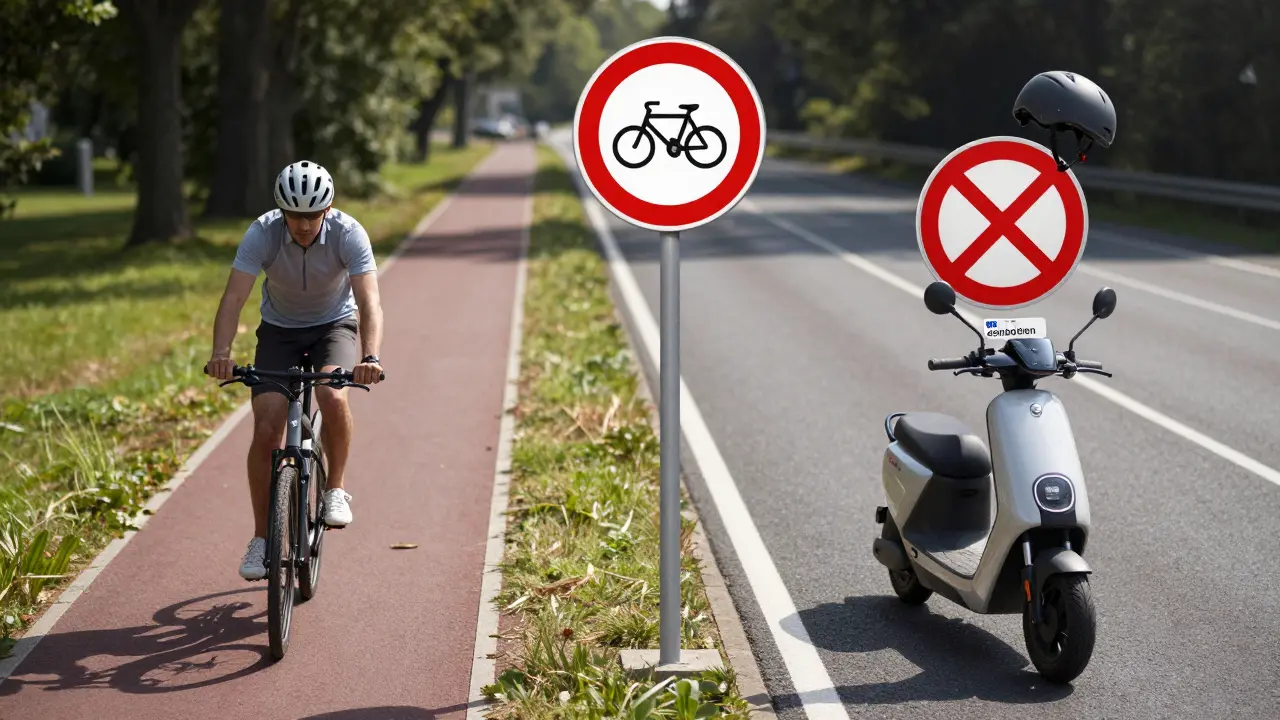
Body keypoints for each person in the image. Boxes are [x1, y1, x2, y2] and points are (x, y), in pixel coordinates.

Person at [205, 160, 385, 581]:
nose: (303, 225)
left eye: (312, 215)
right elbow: (233, 299)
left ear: (328, 208)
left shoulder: (348, 233)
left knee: (331, 394)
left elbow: (370, 301)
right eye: (294, 215)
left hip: (334, 325)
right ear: (281, 211)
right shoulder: (262, 233)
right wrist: (221, 352)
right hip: (279, 331)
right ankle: (261, 539)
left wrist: (371, 356)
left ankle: (335, 489)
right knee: (267, 425)